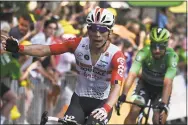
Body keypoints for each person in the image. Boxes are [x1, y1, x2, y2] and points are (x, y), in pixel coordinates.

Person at [1, 7, 126, 125]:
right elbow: (46, 49)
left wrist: (107, 108)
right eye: (93, 28)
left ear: (110, 32)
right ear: (88, 29)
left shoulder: (116, 55)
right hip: (79, 100)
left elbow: (116, 87)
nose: (97, 34)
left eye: (102, 29)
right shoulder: (77, 44)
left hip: (102, 102)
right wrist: (19, 48)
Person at [117, 27, 179, 124]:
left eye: (161, 46)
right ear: (150, 44)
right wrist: (124, 94)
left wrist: (164, 103)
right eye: (154, 46)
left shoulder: (172, 56)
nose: (157, 50)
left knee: (157, 120)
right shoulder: (144, 52)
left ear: (166, 45)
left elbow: (168, 82)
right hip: (145, 86)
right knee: (134, 111)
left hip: (161, 90)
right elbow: (132, 74)